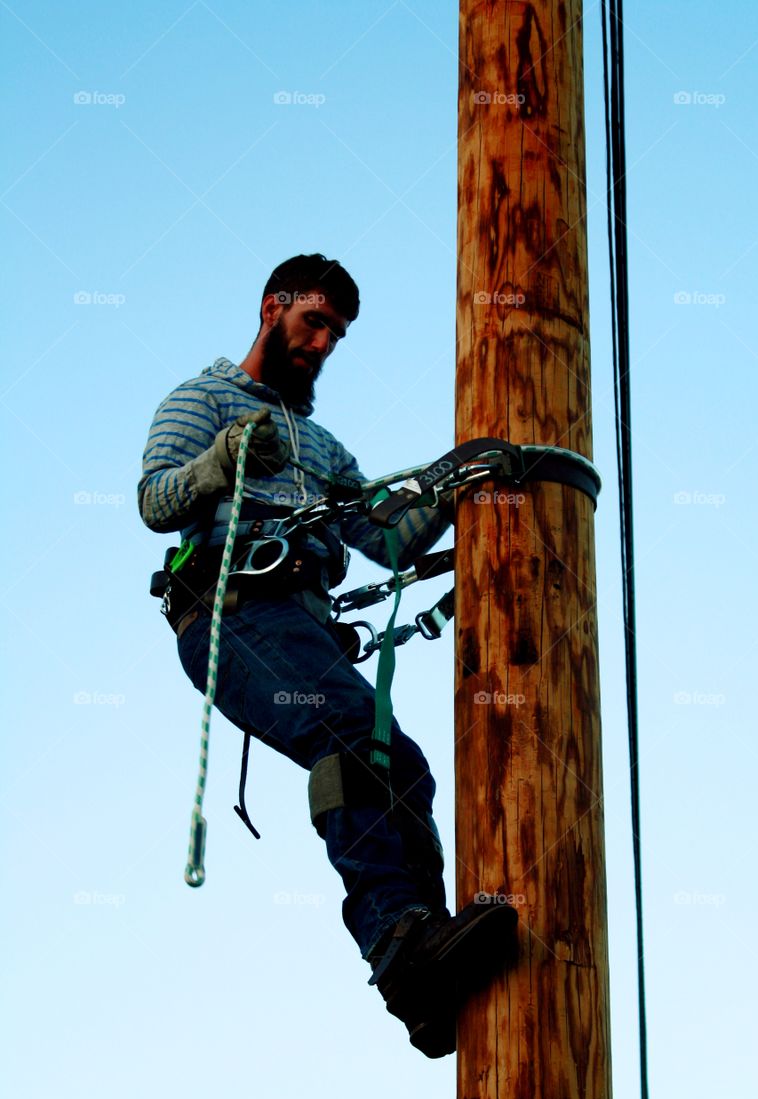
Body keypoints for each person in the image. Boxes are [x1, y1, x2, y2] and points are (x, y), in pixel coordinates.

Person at [138, 253, 516, 1057]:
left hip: (301, 626)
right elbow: (153, 499)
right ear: (272, 307)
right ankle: (399, 948)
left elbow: (385, 538)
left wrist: (459, 485)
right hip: (231, 613)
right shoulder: (203, 398)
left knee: (399, 761)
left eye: (335, 336)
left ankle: (428, 965)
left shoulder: (323, 445)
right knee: (347, 732)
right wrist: (222, 462)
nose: (321, 344)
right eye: (313, 323)